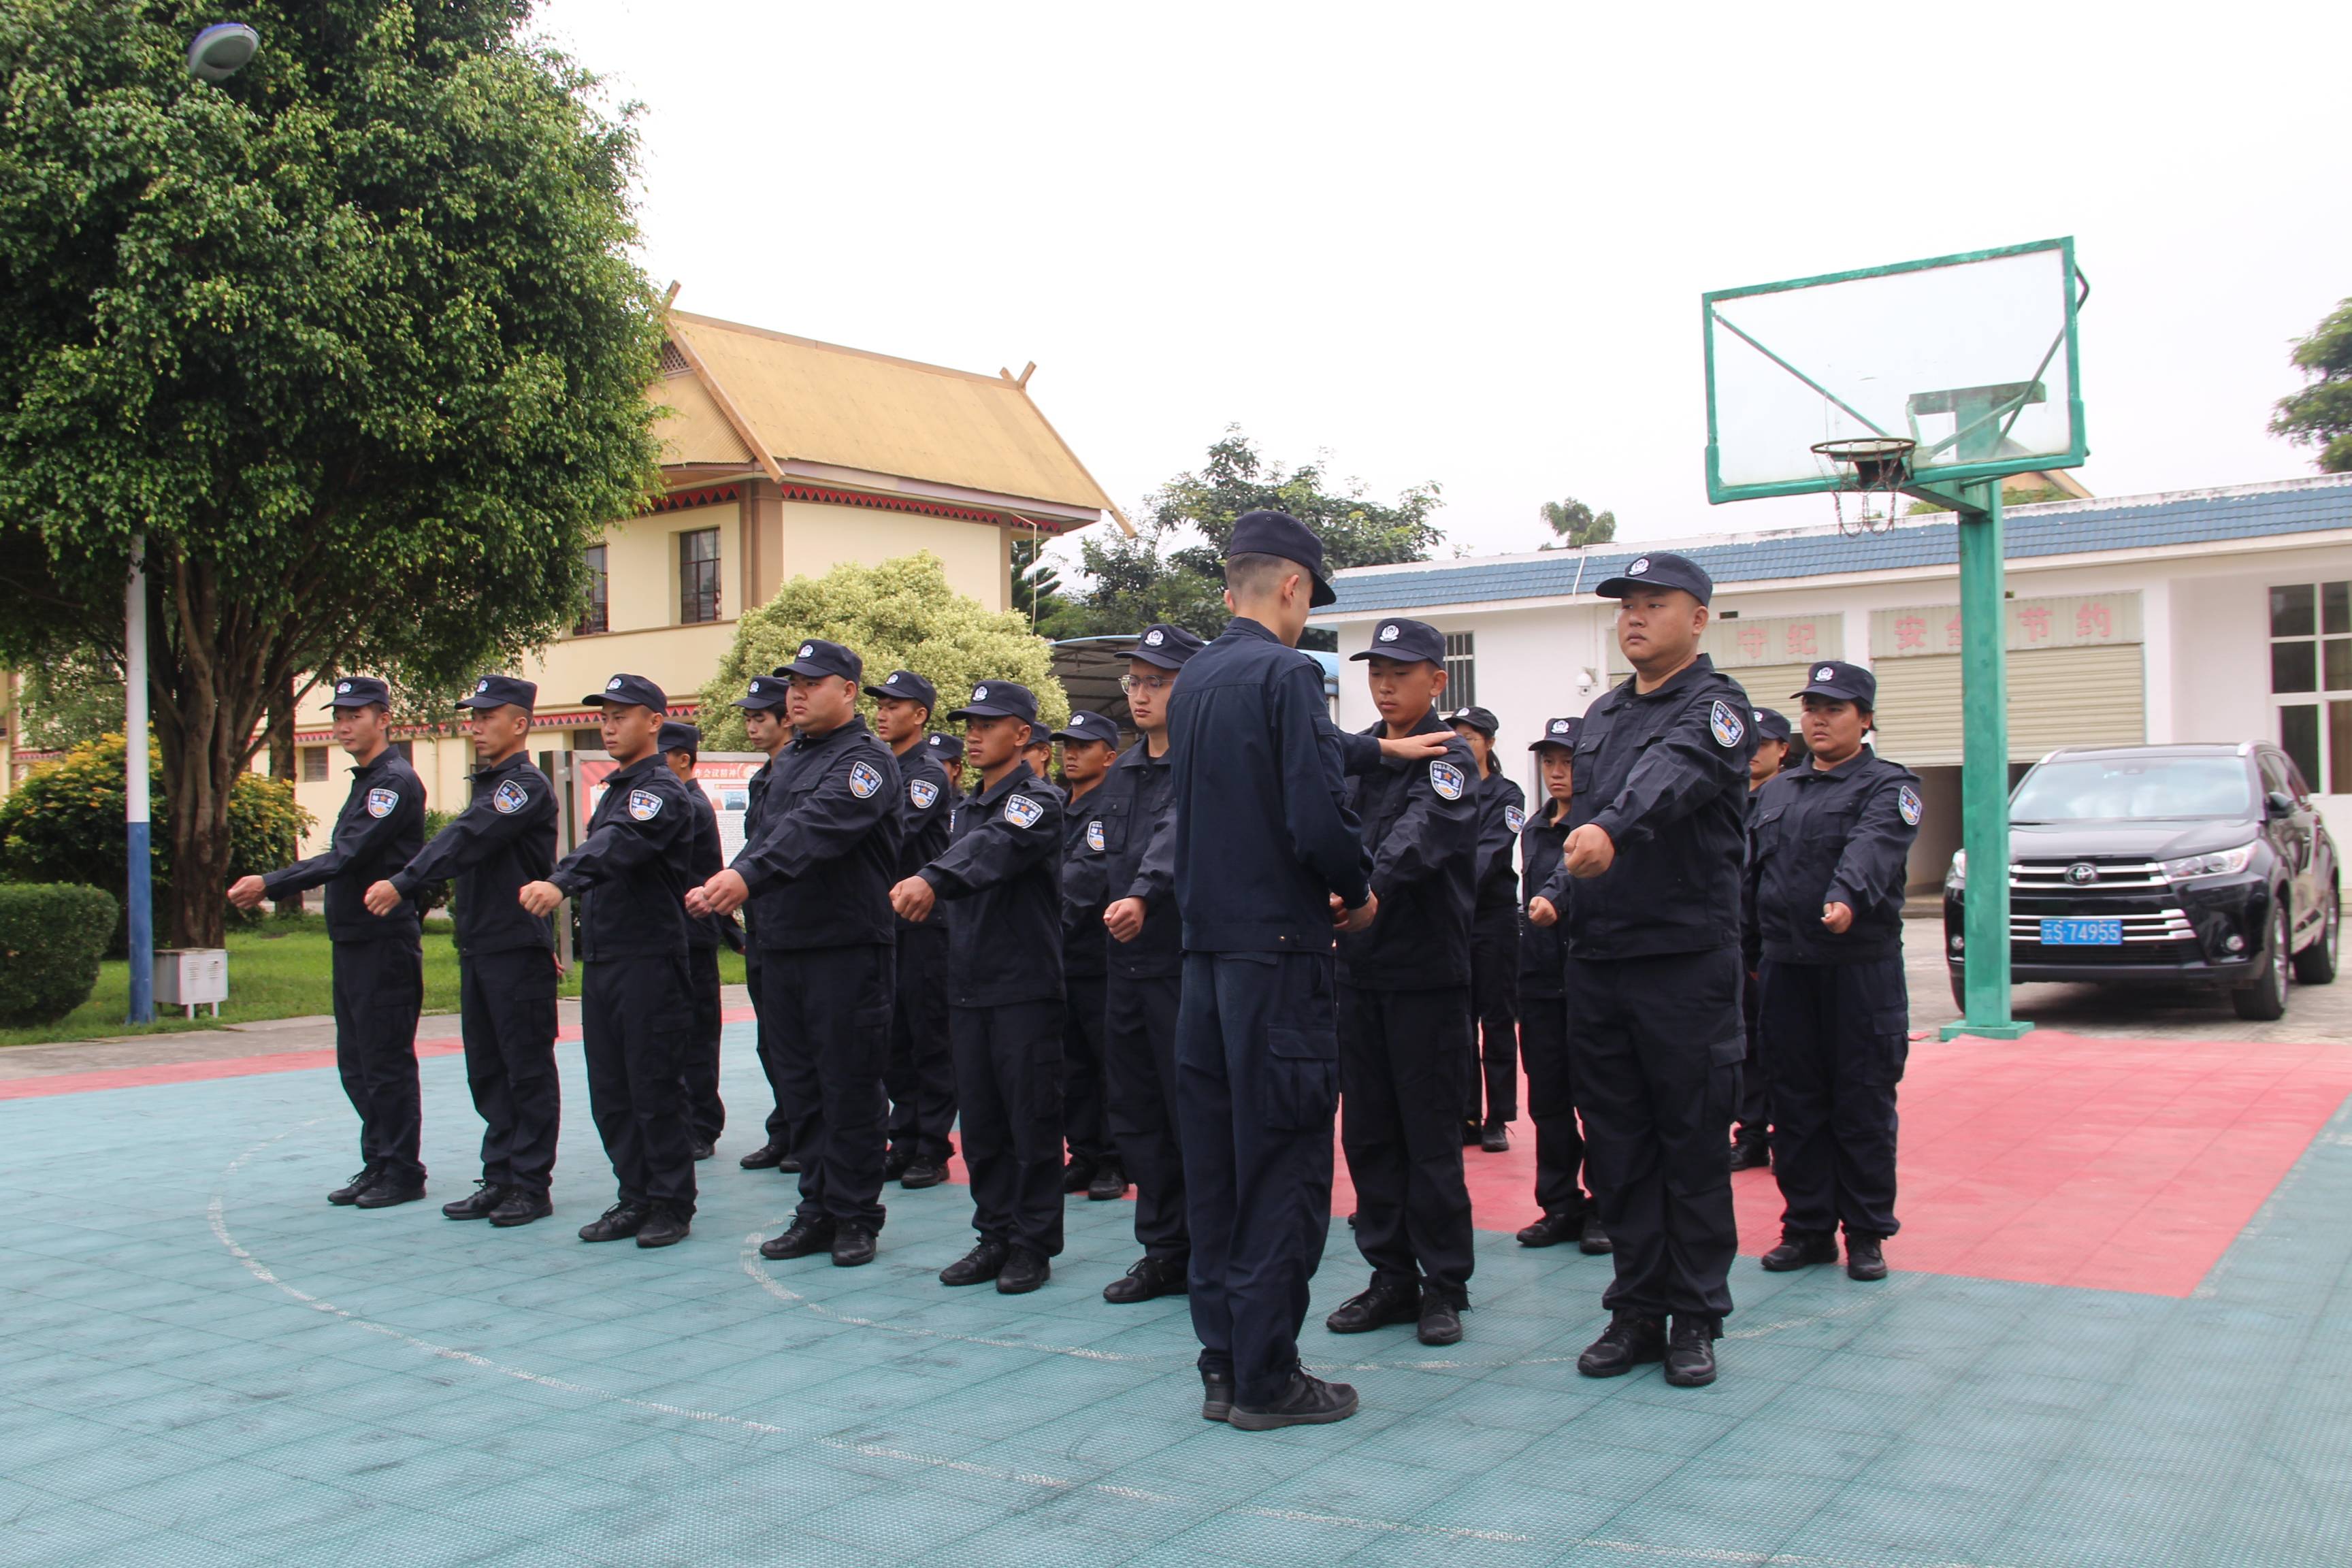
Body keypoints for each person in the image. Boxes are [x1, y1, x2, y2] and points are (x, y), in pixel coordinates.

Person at [1165, 510, 1443, 1431]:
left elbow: (1270, 761)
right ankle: (1269, 1379)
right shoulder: (1288, 674)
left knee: (1216, 1170)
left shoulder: (1196, 678)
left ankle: (1221, 1363)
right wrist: (1357, 891)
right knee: (1283, 1167)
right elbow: (1316, 812)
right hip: (1279, 965)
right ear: (1292, 587)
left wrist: (1379, 749)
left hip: (1203, 963)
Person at [1549, 552, 1755, 1390]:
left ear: (1698, 618)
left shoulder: (1719, 708)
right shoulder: (1600, 715)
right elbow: (1583, 820)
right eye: (1627, 605)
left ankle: (1696, 1315)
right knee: (1620, 1147)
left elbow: (1666, 781)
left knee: (1690, 1144)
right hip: (1601, 963)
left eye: (1655, 604)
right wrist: (1560, 890)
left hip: (1683, 966)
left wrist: (1613, 832)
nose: (1634, 618)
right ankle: (1637, 1307)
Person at [693, 641, 903, 1269]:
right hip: (782, 947)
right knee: (801, 1085)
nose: (797, 693)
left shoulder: (867, 763)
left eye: (813, 682)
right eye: (793, 683)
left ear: (849, 691)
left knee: (849, 1084)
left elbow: (818, 827)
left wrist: (746, 875)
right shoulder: (788, 763)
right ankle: (816, 1207)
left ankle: (855, 1215)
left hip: (844, 950)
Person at [1324, 619, 1480, 1350]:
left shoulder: (1453, 757)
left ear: (1436, 679)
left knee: (1430, 1136)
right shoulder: (1361, 753)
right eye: (1376, 672)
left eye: (1401, 672)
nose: (1385, 685)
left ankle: (1444, 1283)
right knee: (1370, 1133)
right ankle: (1390, 1275)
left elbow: (1423, 833)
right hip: (1358, 975)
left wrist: (1364, 886)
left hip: (1425, 976)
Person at [889, 681, 1066, 1294]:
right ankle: (994, 1235)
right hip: (968, 984)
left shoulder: (1036, 801)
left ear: (1022, 735)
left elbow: (996, 852)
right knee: (985, 1125)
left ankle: (1032, 1243)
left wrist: (932, 877)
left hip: (1023, 987)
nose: (973, 731)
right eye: (969, 721)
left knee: (1030, 1121)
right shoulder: (966, 807)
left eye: (989, 723)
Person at [364, 676, 559, 1227]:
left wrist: (403, 881)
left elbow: (466, 837)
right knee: (487, 1070)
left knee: (525, 1071)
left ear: (519, 724)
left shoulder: (522, 787)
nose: (474, 725)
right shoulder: (490, 784)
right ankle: (499, 1177)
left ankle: (529, 1184)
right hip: (480, 945)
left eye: (486, 716)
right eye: (472, 716)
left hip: (515, 947)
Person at [1746, 664, 1920, 1284]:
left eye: (1835, 709)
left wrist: (1846, 898)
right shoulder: (1776, 792)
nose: (1818, 719)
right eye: (1812, 708)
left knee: (1862, 1105)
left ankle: (1867, 1232)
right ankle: (1808, 1229)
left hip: (1858, 971)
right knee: (1794, 1104)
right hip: (1787, 970)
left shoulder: (1889, 786)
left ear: (1866, 719)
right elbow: (1748, 877)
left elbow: (1873, 848)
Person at [229, 676, 427, 1209]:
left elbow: (345, 856)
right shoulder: (368, 780)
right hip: (354, 939)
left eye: (356, 714)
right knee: (358, 1061)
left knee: (384, 1060)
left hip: (382, 940)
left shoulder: (392, 783)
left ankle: (403, 1170)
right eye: (339, 714)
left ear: (383, 719)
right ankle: (379, 1160)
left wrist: (270, 883)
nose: (343, 724)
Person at [520, 674, 697, 1248]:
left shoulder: (658, 791)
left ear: (654, 722)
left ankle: (670, 1202)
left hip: (647, 960)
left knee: (653, 1086)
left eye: (623, 715)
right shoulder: (619, 788)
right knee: (612, 1091)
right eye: (606, 715)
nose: (610, 725)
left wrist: (561, 881)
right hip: (607, 961)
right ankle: (635, 1196)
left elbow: (616, 845)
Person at [1096, 623, 1206, 1302]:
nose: (1140, 694)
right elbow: (1092, 857)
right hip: (1126, 971)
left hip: (1182, 968)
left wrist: (1143, 894)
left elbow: (1173, 840)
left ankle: (1208, 1249)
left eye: (1155, 681)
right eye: (1134, 681)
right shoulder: (1125, 771)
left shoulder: (1200, 762)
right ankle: (1163, 1249)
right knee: (1137, 1116)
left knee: (1189, 1114)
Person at [1518, 717, 1609, 1255]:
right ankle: (1559, 1204)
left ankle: (1605, 1207)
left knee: (1597, 1100)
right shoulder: (1534, 827)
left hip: (1589, 978)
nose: (1557, 773)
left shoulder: (1603, 828)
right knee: (1548, 1101)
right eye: (1549, 762)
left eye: (1567, 762)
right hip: (1539, 982)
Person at [866, 669, 958, 1191]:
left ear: (920, 715)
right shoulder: (879, 767)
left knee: (928, 1037)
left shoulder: (924, 773)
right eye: (879, 704)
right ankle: (903, 1138)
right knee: (893, 1036)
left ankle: (932, 1145)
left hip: (922, 925)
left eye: (894, 705)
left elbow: (895, 833)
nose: (882, 712)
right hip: (885, 922)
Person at [728, 675, 800, 1177]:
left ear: (786, 719)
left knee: (802, 1043)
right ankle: (786, 1128)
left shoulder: (802, 773)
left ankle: (804, 1134)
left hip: (797, 924)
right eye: (748, 718)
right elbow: (756, 846)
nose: (753, 726)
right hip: (763, 925)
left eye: (761, 717)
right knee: (771, 1039)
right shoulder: (763, 778)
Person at [1050, 710, 1122, 1200]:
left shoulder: (1109, 810)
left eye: (1083, 746)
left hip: (1096, 959)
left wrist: (1043, 935)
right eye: (1066, 745)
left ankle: (1115, 1161)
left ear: (1110, 757)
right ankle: (1084, 1152)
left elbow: (1083, 882)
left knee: (1107, 1063)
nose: (1071, 754)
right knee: (1070, 1063)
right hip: (1058, 959)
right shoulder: (1056, 807)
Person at [1449, 704, 1524, 1153]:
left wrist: (1447, 885)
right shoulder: (1446, 788)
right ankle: (1467, 1113)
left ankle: (1499, 1117)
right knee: (1459, 1023)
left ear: (1490, 743)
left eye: (1472, 737)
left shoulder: (1508, 794)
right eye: (1457, 737)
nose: (1464, 744)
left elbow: (1493, 851)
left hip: (1492, 920)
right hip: (1453, 922)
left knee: (1495, 1021)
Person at [661, 719, 730, 1161]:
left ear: (683, 759)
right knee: (679, 1033)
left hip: (693, 935)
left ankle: (702, 1125)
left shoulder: (691, 805)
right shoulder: (679, 801)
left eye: (661, 755)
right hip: (679, 933)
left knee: (698, 1035)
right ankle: (688, 1120)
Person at [1732, 706, 1793, 1172]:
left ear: (1783, 750)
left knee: (1779, 1041)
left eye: (1764, 744)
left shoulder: (1789, 797)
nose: (1754, 753)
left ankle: (1783, 1132)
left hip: (1775, 940)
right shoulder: (1728, 794)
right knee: (1743, 1041)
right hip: (1732, 938)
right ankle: (1750, 1131)